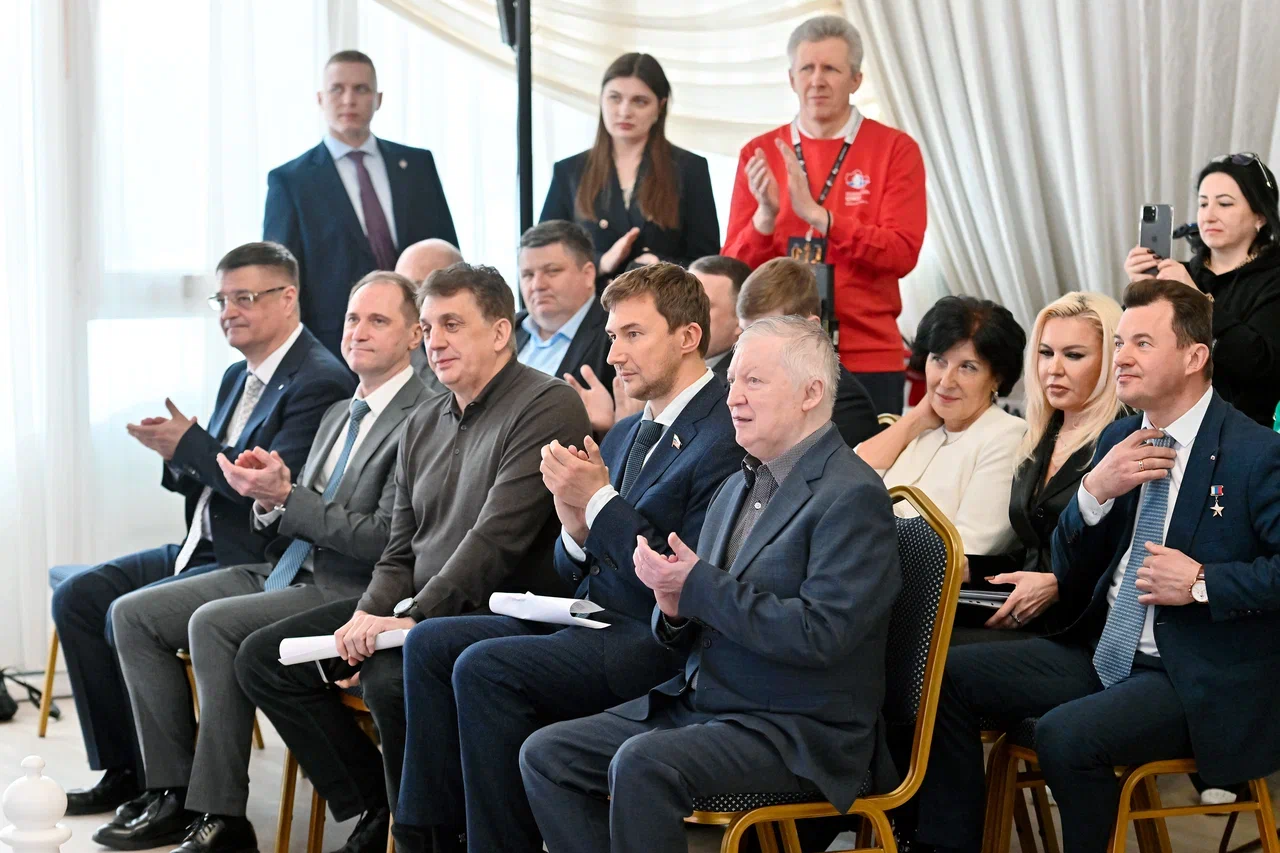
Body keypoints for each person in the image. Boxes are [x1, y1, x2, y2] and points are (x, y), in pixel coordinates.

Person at [911, 279, 1280, 853]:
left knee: (1066, 736)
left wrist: (1202, 582)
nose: (1122, 357)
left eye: (1142, 343)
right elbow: (1069, 569)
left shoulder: (1256, 452)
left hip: (1190, 673)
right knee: (943, 677)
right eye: (1120, 342)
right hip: (1104, 651)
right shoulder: (1120, 437)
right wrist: (1093, 493)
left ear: (1194, 357)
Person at [235, 264, 591, 853]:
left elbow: (494, 541)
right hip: (417, 609)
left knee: (390, 675)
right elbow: (400, 549)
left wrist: (411, 617)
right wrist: (366, 617)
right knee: (268, 658)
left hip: (499, 611)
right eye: (427, 328)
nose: (435, 341)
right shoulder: (423, 420)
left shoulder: (546, 403)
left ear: (500, 332)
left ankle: (427, 836)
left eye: (452, 324)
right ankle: (384, 811)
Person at [390, 262, 744, 853]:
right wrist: (575, 528)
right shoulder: (627, 432)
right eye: (612, 336)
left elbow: (680, 572)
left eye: (634, 334)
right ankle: (426, 838)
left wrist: (598, 502)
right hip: (591, 618)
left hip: (658, 641)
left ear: (688, 337)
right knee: (430, 643)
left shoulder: (726, 431)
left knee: (484, 669)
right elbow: (576, 565)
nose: (614, 355)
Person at [520, 316, 902, 853]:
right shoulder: (737, 484)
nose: (733, 397)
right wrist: (674, 607)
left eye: (754, 381)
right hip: (710, 703)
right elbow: (694, 615)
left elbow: (822, 635)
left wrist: (696, 586)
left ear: (811, 393)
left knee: (642, 764)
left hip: (798, 729)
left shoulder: (852, 496)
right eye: (732, 381)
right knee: (547, 754)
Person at [101, 273, 431, 853]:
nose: (358, 331)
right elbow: (295, 509)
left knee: (214, 624)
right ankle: (170, 793)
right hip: (286, 566)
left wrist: (288, 498)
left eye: (378, 321)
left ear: (413, 336)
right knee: (133, 614)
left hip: (349, 586)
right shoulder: (341, 411)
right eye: (353, 318)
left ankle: (221, 814)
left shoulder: (422, 415)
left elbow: (386, 539)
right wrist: (267, 497)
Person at [51, 242, 354, 817]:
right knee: (79, 598)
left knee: (127, 616)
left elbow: (264, 495)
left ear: (288, 298)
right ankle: (125, 770)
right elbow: (207, 475)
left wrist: (190, 445)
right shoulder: (238, 375)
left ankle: (170, 789)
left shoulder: (318, 380)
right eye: (222, 300)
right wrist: (177, 454)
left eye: (245, 297)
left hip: (248, 556)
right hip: (200, 543)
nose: (229, 312)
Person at [723, 15, 926, 415]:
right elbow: (733, 275)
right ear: (791, 78)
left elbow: (902, 253)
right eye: (807, 69)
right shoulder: (758, 153)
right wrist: (765, 218)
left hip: (867, 354)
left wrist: (822, 218)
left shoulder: (895, 149)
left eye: (831, 68)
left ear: (856, 80)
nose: (817, 80)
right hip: (775, 354)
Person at [265, 50, 458, 360]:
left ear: (378, 99)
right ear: (320, 99)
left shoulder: (417, 165)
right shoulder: (291, 181)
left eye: (361, 89)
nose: (349, 100)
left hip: (426, 338)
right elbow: (281, 279)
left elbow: (446, 252)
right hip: (339, 347)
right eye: (337, 89)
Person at [967, 292, 1125, 642]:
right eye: (1046, 353)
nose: (1054, 369)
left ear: (1111, 360)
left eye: (1074, 355)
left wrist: (1058, 584)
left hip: (1082, 630)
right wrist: (967, 568)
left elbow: (1122, 557)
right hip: (1027, 618)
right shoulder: (1040, 434)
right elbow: (1033, 552)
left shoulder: (1123, 439)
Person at [1124, 153, 1280, 427]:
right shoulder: (1179, 273)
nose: (1209, 215)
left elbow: (1259, 365)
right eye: (1203, 203)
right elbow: (1134, 349)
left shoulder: (1273, 278)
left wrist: (1196, 299)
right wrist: (1139, 294)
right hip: (1164, 421)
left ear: (1260, 216)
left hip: (1243, 428)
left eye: (1224, 204)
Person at [540, 53, 719, 282]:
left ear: (660, 106)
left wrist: (661, 265)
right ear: (601, 100)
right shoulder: (570, 171)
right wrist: (601, 262)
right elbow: (544, 253)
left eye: (639, 101)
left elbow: (707, 260)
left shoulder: (689, 168)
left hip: (663, 299)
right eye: (615, 98)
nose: (625, 111)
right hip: (593, 299)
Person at [737, 257, 881, 447]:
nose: (750, 348)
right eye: (745, 333)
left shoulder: (846, 405)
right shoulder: (737, 385)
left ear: (811, 328)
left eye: (766, 333)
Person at [514, 221, 614, 391]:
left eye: (552, 271)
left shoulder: (614, 334)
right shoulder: (507, 329)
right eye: (528, 275)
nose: (537, 285)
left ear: (588, 274)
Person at [393, 237, 462, 385]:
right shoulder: (397, 348)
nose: (405, 300)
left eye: (417, 288)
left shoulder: (478, 344)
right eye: (402, 289)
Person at [689, 254, 752, 382]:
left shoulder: (735, 386)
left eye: (702, 305)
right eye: (682, 301)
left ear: (740, 320)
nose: (684, 313)